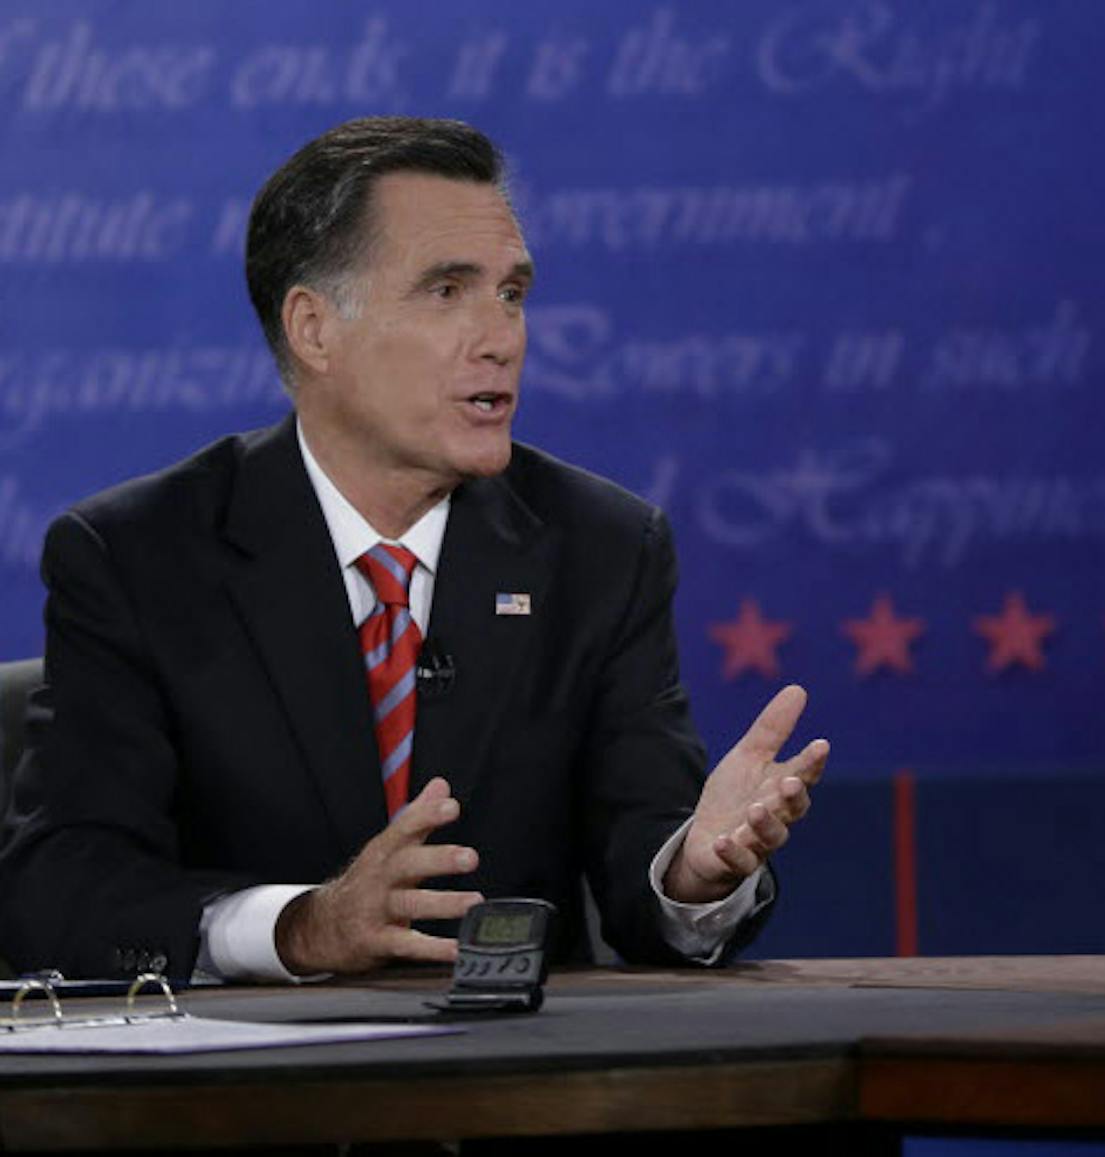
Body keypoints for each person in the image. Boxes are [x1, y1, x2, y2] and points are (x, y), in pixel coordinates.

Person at [0, 117, 827, 981]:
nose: (501, 337)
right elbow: (58, 887)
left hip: (513, 1089)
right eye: (446, 291)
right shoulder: (139, 557)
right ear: (314, 329)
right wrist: (299, 926)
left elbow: (642, 855)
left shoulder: (603, 550)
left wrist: (691, 874)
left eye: (511, 293)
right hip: (254, 1096)